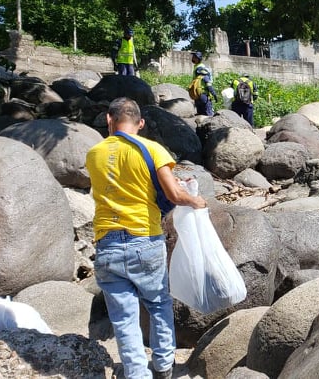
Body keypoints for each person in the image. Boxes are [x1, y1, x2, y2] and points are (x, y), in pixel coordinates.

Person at [85, 97, 207, 379]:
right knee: (159, 305)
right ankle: (163, 366)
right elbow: (174, 195)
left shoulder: (93, 154)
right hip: (145, 240)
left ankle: (137, 374)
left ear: (109, 119)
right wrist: (195, 200)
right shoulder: (153, 149)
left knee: (123, 319)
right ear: (140, 123)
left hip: (107, 244)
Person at [190, 51, 220, 116]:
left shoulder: (200, 68)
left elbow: (207, 82)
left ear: (198, 58)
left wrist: (213, 93)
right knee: (207, 114)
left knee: (205, 115)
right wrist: (214, 94)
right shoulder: (197, 67)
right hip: (200, 95)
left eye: (194, 57)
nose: (192, 58)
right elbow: (207, 83)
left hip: (201, 95)